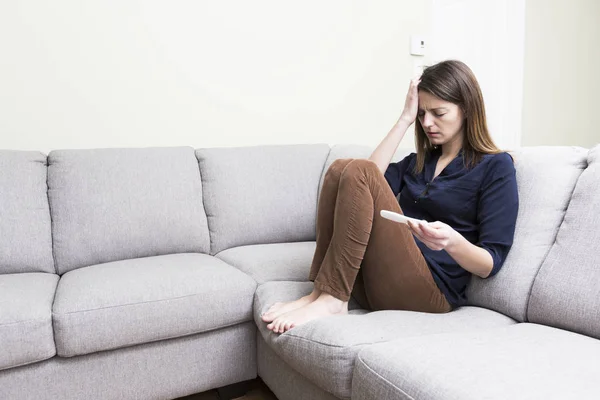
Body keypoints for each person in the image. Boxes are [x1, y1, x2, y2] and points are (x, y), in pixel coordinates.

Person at [261, 60, 519, 334]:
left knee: (358, 169)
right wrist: (405, 119)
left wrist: (451, 241)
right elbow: (358, 184)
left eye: (438, 113)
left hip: (429, 291)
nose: (427, 123)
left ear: (466, 109)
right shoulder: (419, 162)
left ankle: (333, 300)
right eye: (422, 114)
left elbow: (489, 263)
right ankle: (323, 293)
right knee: (340, 169)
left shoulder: (496, 166)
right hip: (383, 280)